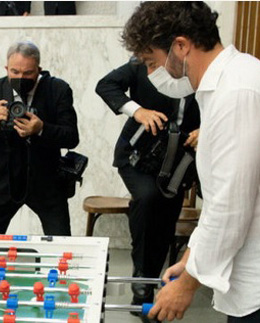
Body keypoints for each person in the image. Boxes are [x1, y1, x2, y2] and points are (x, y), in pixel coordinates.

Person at [121, 2, 260, 322]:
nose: (150, 74)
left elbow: (231, 206)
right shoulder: (228, 84)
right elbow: (219, 200)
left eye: (151, 62)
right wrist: (191, 259)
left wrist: (186, 286)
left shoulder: (238, 92)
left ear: (181, 46)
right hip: (253, 275)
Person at [96, 57, 200, 320]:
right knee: (147, 198)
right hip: (137, 158)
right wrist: (137, 111)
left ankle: (151, 286)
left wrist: (206, 128)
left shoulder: (200, 68)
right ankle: (141, 278)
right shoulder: (147, 61)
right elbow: (105, 85)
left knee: (165, 221)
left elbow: (222, 106)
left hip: (178, 164)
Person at [0, 40, 79, 236]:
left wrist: (42, 128)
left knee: (61, 244)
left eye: (28, 73)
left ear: (39, 70)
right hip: (2, 180)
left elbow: (72, 137)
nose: (20, 77)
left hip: (47, 180)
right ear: (6, 68)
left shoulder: (58, 89)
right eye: (15, 72)